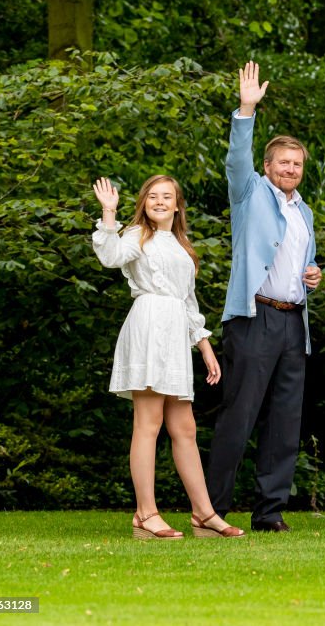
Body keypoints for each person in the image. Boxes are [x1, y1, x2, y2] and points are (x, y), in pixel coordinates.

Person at [92, 175, 245, 540]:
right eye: (153, 196)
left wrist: (205, 345)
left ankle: (204, 514)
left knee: (185, 428)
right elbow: (110, 257)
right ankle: (145, 513)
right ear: (144, 203)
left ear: (177, 206)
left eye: (167, 197)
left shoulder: (182, 245)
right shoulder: (135, 237)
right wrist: (109, 214)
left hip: (175, 336)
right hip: (148, 329)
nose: (160, 201)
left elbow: (188, 302)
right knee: (148, 422)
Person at [205, 62, 322, 533]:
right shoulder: (249, 192)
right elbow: (237, 158)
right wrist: (246, 110)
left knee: (285, 421)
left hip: (294, 323)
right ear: (268, 166)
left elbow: (300, 262)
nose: (291, 170)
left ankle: (269, 512)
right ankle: (212, 510)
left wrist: (313, 275)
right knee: (240, 414)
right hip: (254, 319)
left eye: (298, 165)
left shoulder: (305, 212)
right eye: (284, 163)